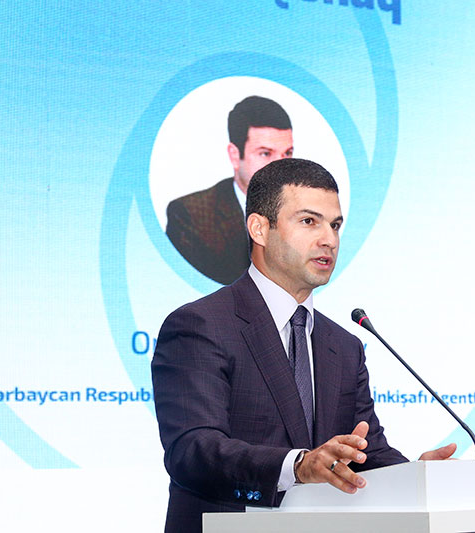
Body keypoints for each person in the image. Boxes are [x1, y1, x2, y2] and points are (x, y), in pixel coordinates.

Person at [152, 158, 457, 533]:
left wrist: (417, 478)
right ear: (259, 228)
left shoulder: (343, 345)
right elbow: (193, 451)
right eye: (309, 221)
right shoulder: (202, 326)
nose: (329, 239)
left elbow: (365, 454)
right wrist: (296, 465)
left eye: (335, 225)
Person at [165, 95, 294, 285]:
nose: (280, 167)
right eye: (265, 153)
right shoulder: (191, 215)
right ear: (235, 156)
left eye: (287, 153)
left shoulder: (307, 212)